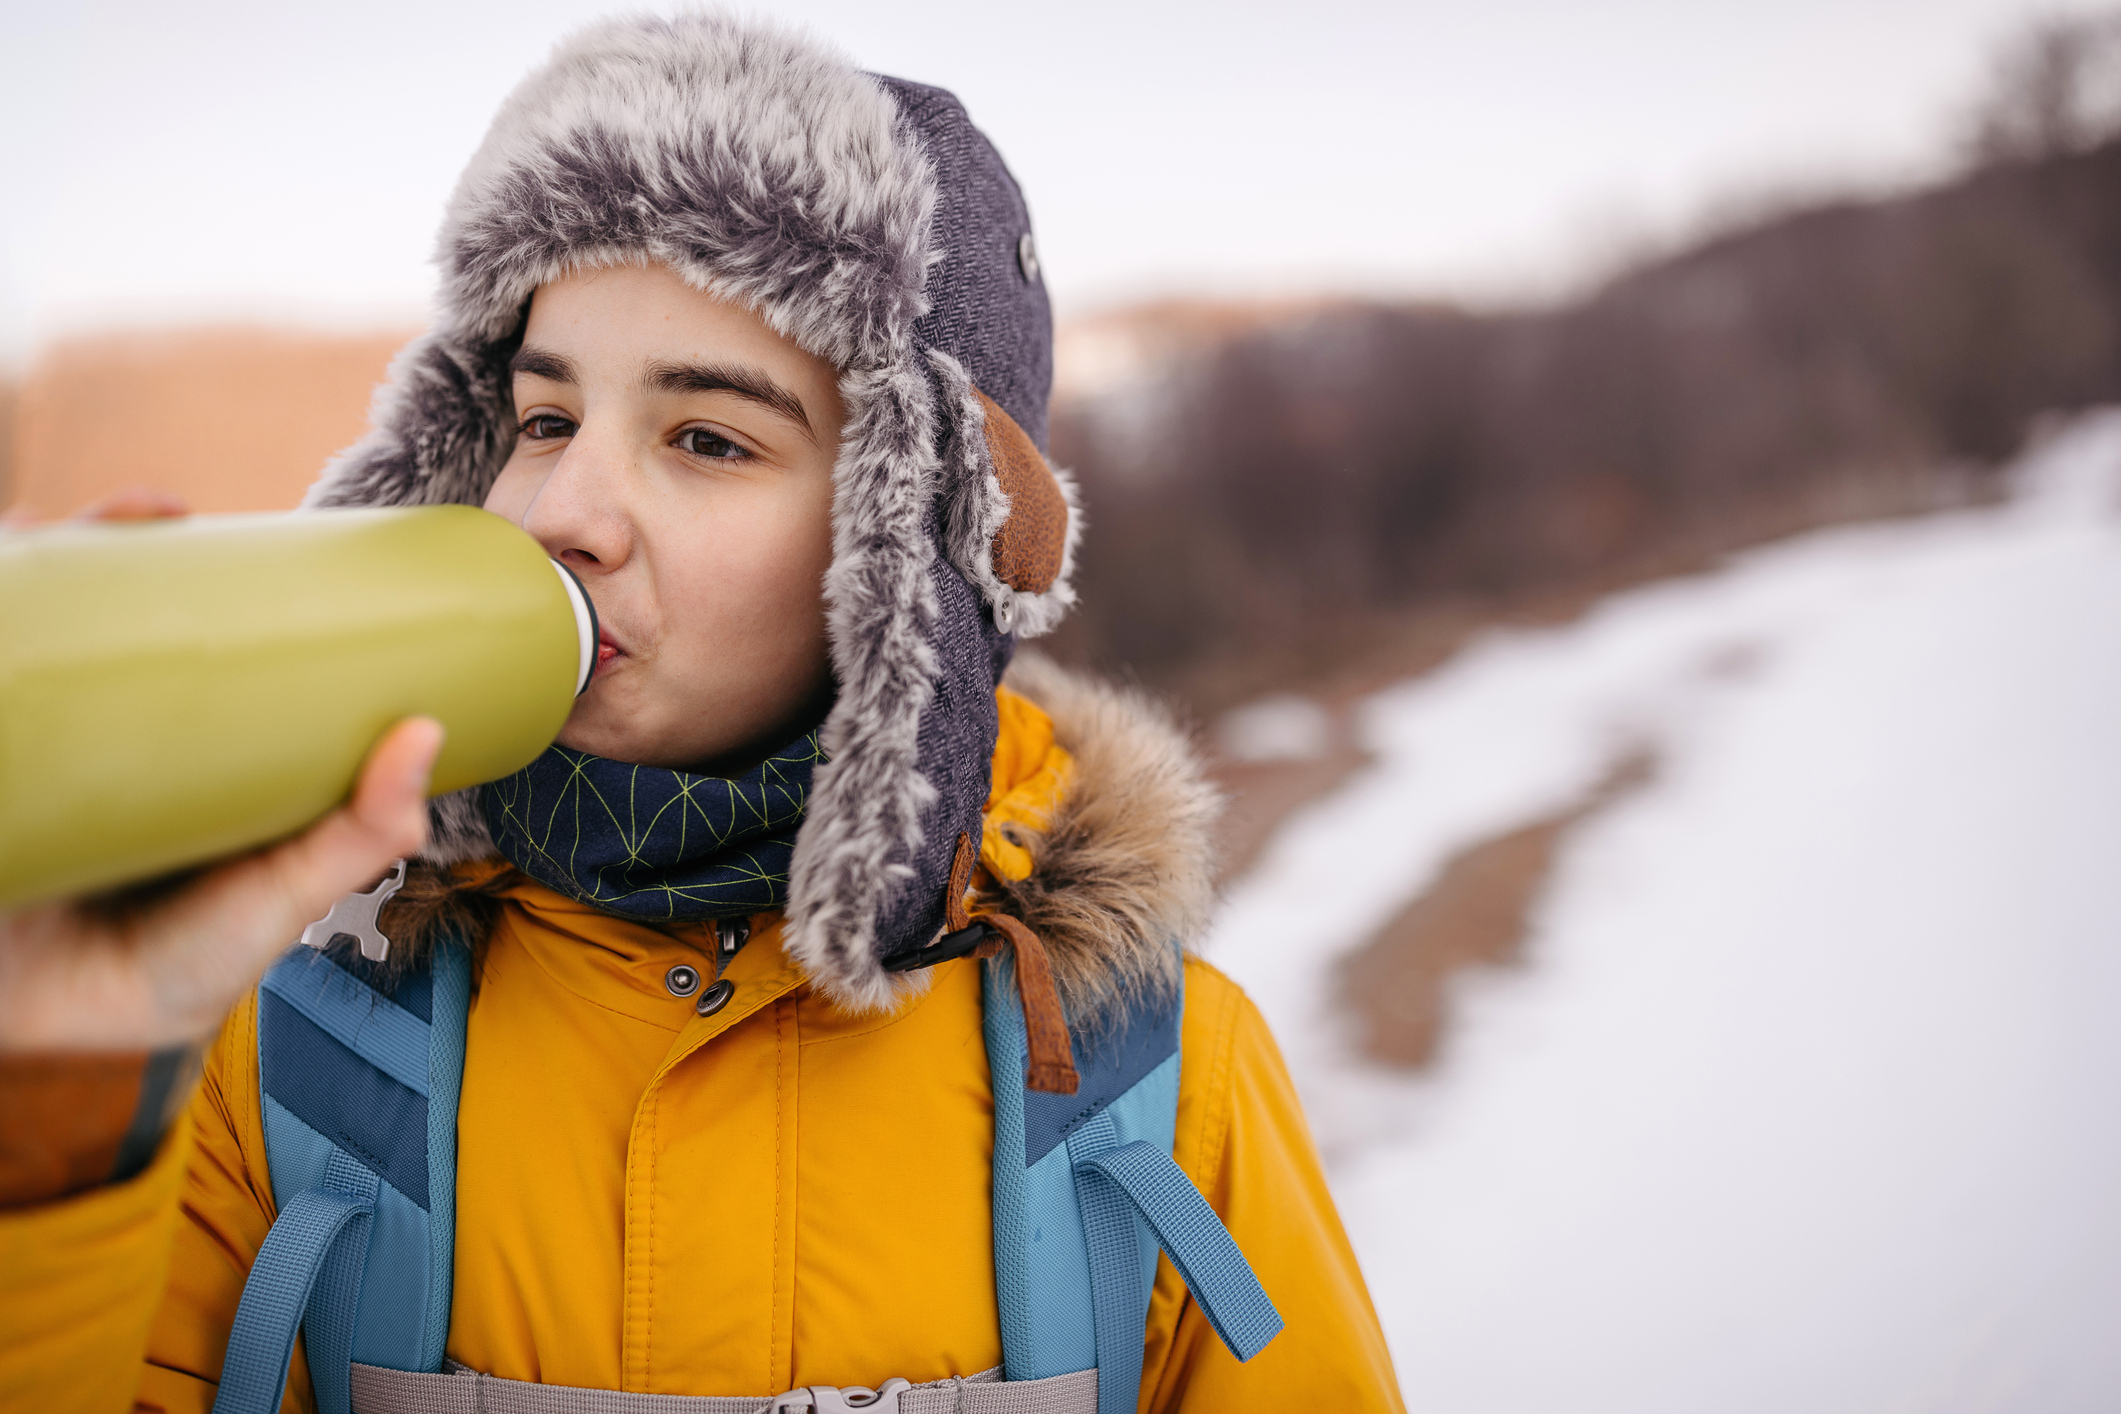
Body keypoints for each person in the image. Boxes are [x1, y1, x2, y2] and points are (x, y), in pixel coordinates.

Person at [0, 14, 1404, 1411]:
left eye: (708, 439)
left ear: (909, 540)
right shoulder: (283, 1051)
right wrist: (50, 1115)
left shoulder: (1143, 1081)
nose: (562, 513)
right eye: (543, 420)